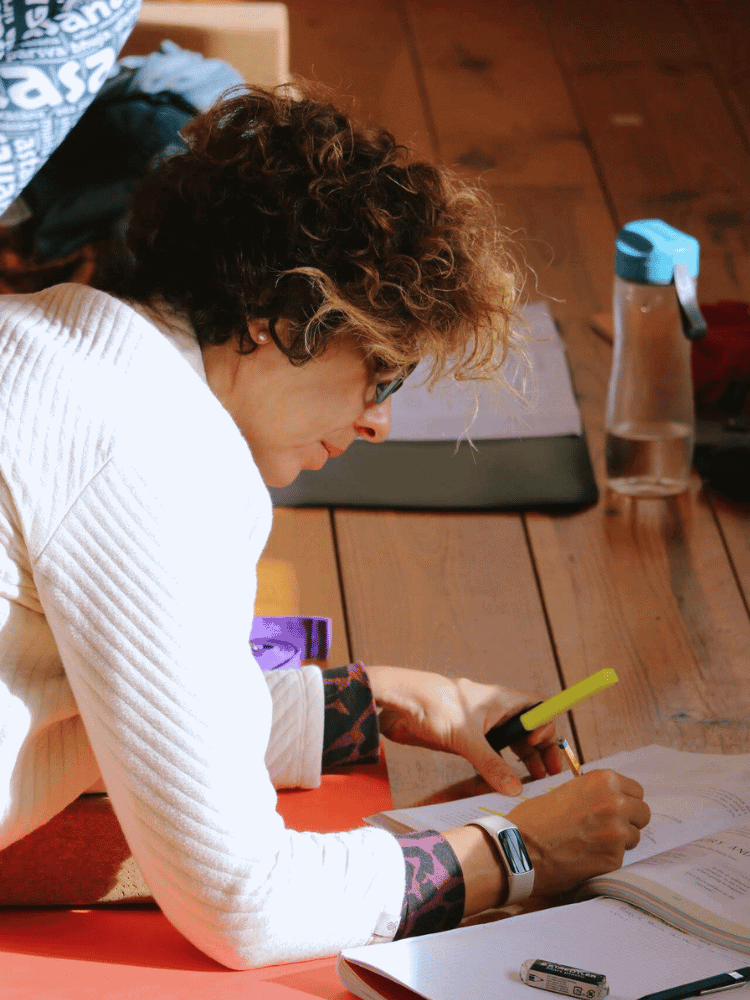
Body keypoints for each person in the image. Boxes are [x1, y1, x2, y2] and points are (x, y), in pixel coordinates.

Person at [0, 81, 650, 968]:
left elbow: (133, 699)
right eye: (380, 372)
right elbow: (242, 898)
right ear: (275, 320)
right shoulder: (159, 451)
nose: (379, 419)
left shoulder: (55, 345)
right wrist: (519, 851)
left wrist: (371, 701)